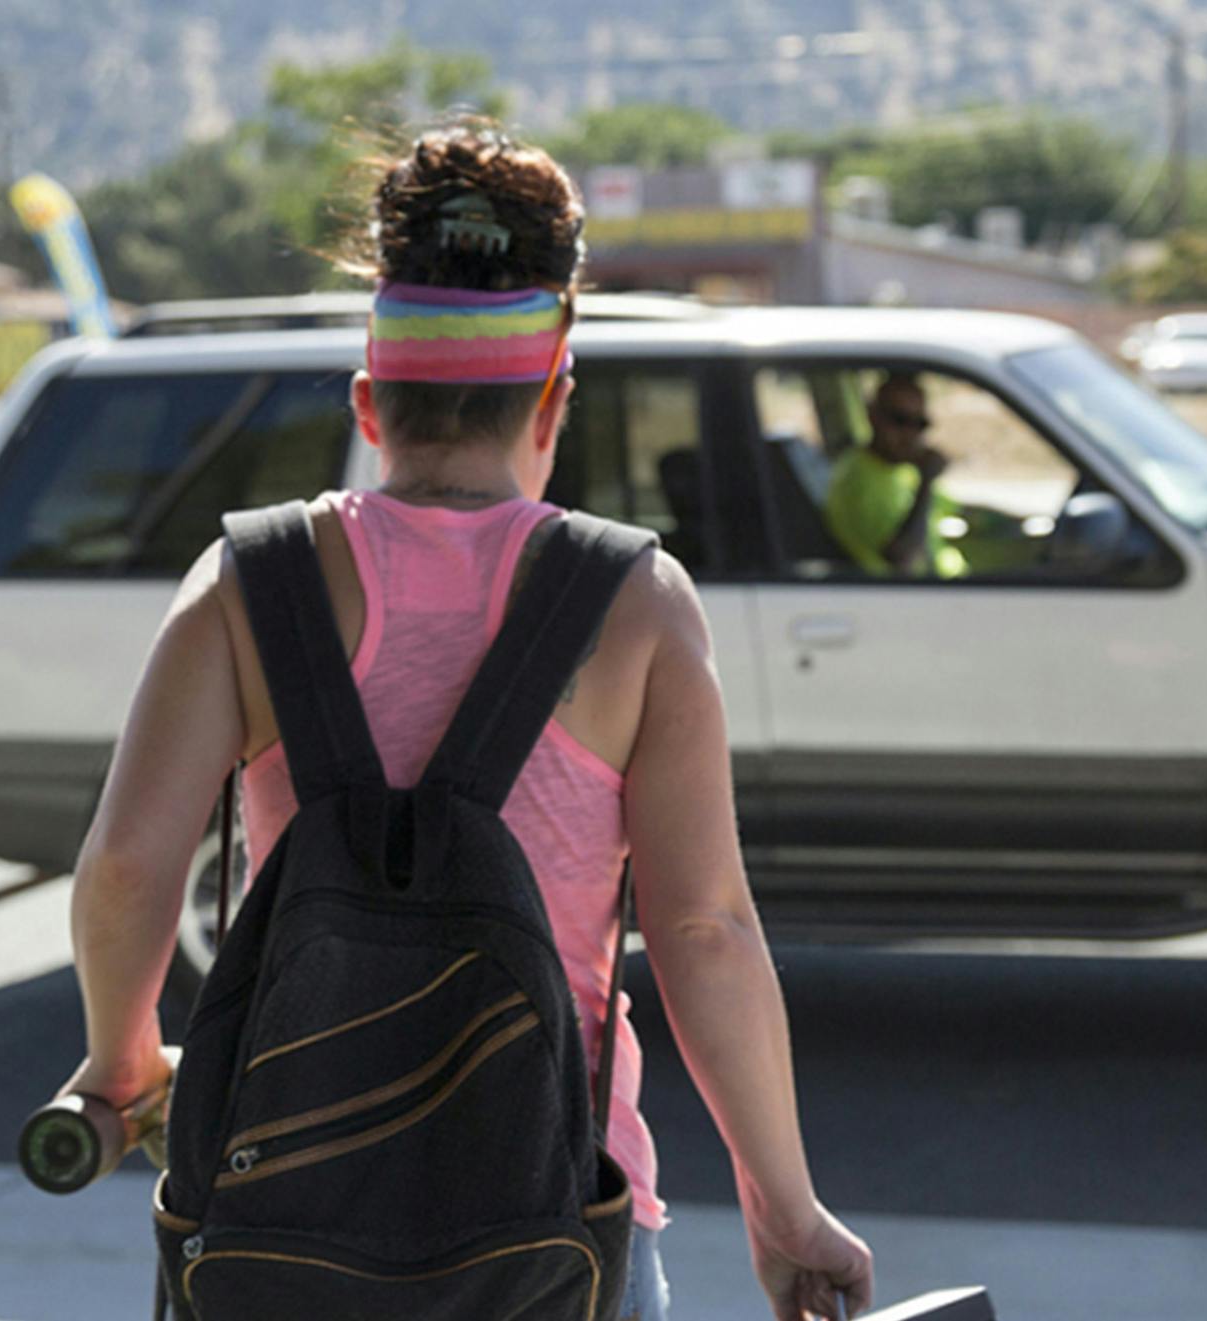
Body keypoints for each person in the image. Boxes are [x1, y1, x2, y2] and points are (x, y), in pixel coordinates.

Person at [61, 119, 873, 1321]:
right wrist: (783, 1209)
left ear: (368, 403)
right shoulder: (635, 603)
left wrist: (120, 1060)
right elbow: (703, 927)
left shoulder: (247, 583)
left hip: (278, 1237)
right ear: (555, 400)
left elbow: (129, 868)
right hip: (551, 1232)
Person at [822, 373, 970, 579]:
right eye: (900, 420)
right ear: (873, 417)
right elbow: (903, 558)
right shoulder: (856, 480)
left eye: (920, 423)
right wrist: (926, 481)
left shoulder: (901, 468)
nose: (910, 434)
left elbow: (952, 509)